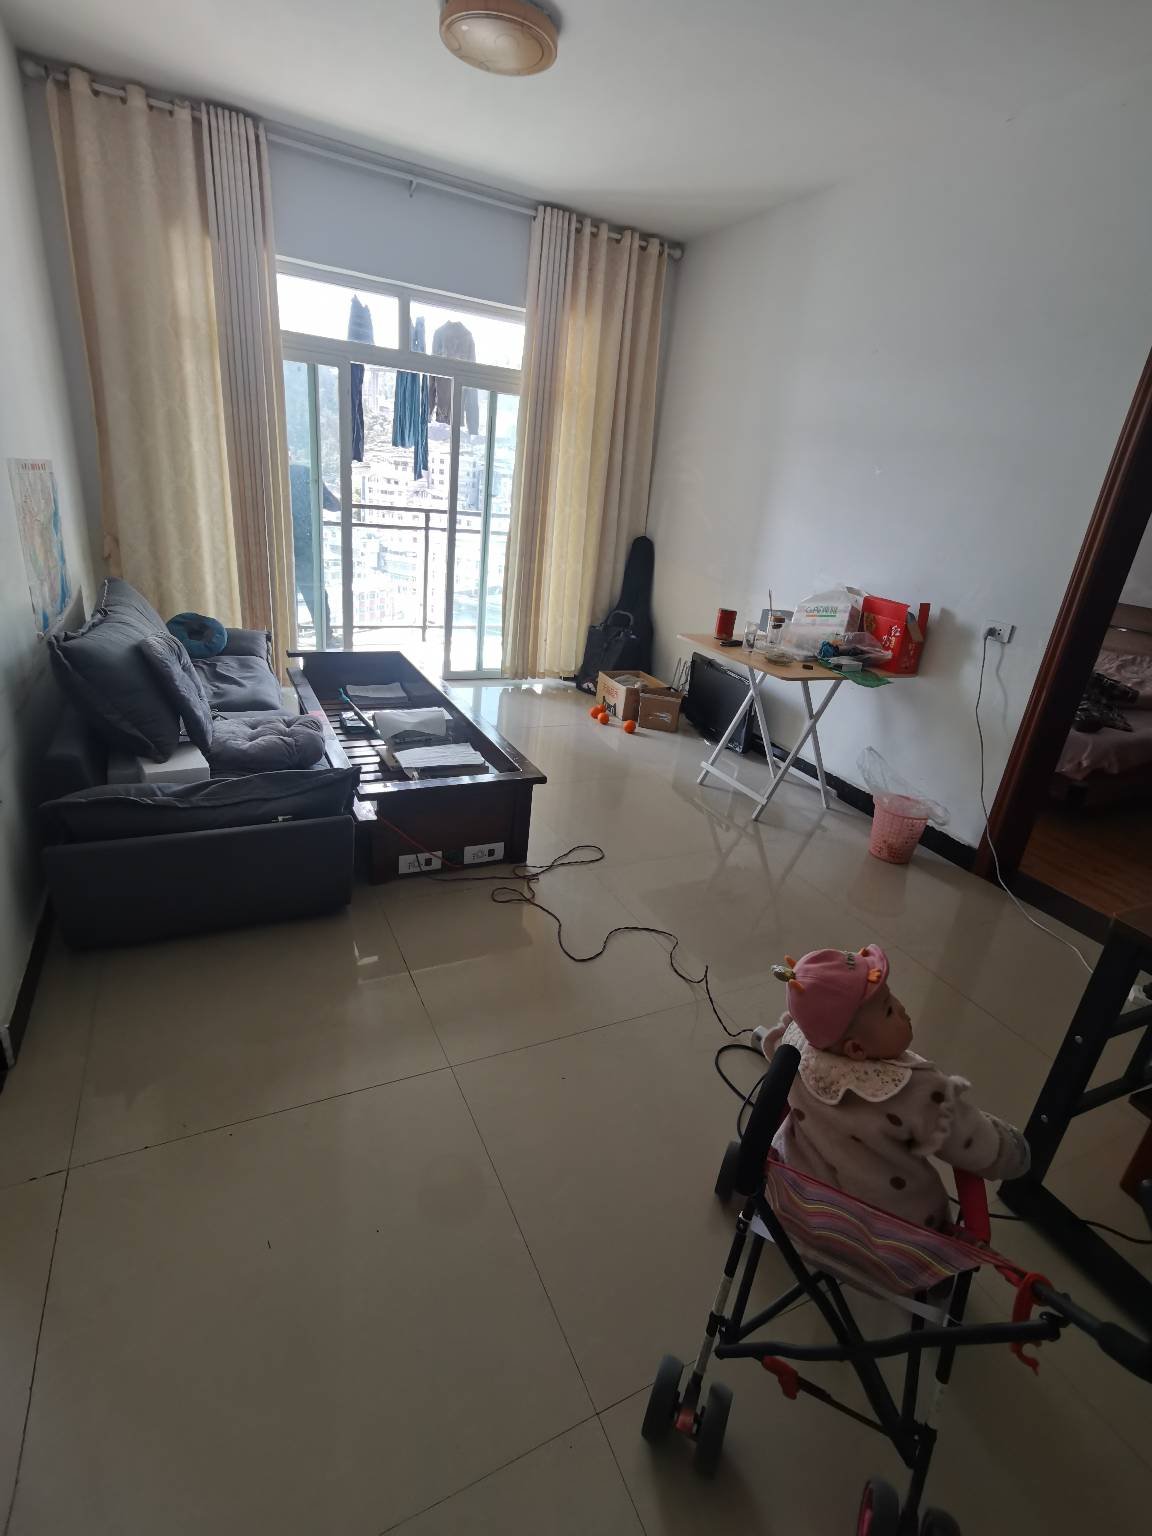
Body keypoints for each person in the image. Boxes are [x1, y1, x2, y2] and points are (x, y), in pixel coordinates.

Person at [762, 945, 1029, 1229]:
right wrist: (1010, 1151)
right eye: (888, 1010)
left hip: (797, 1200)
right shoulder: (911, 1090)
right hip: (884, 1233)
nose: (901, 1008)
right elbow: (968, 1140)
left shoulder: (796, 1046)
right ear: (856, 1049)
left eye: (891, 997)